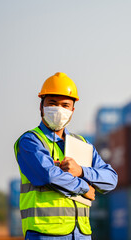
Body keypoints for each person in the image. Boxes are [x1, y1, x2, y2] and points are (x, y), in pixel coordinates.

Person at [14, 72, 118, 239]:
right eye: (52, 103)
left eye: (65, 105)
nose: (59, 109)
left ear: (72, 110)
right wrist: (85, 188)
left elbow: (111, 179)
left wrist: (82, 171)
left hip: (81, 234)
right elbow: (48, 175)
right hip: (45, 234)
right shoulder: (30, 141)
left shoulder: (82, 144)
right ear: (41, 106)